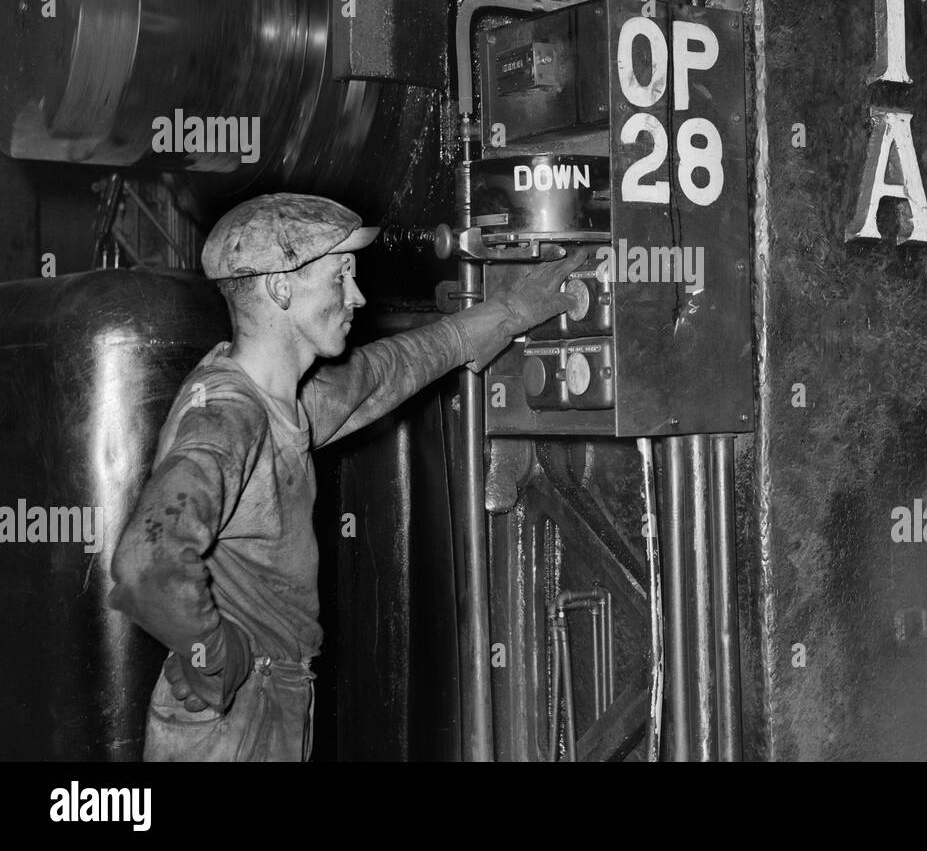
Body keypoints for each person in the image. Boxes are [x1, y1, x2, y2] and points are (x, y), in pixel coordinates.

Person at [108, 193, 582, 761]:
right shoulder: (230, 417)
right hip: (237, 717)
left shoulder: (282, 399)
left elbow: (389, 371)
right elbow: (146, 561)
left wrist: (510, 312)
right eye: (340, 277)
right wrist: (211, 657)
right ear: (281, 289)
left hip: (268, 697)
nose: (356, 296)